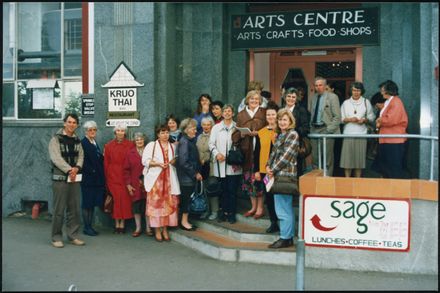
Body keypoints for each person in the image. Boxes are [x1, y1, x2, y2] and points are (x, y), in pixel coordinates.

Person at [48, 113, 85, 248]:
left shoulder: (77, 140)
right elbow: (56, 158)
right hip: (60, 178)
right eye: (69, 122)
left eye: (74, 122)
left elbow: (81, 155)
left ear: (77, 125)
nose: (71, 125)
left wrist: (76, 168)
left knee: (74, 209)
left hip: (74, 178)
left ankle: (73, 235)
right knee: (59, 209)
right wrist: (69, 170)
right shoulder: (55, 139)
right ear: (64, 123)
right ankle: (56, 237)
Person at [266, 109, 299, 249]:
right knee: (283, 208)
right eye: (280, 120)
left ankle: (285, 238)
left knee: (283, 209)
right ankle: (287, 236)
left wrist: (272, 169)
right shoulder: (280, 135)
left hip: (284, 176)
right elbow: (273, 154)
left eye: (285, 119)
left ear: (290, 121)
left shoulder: (293, 134)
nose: (282, 122)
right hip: (276, 175)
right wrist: (267, 166)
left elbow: (286, 156)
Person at [232, 90, 267, 219]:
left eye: (256, 99)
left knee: (260, 181)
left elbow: (270, 129)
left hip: (260, 151)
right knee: (248, 181)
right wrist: (242, 133)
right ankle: (252, 207)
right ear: (247, 100)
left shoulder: (264, 113)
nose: (254, 101)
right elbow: (234, 135)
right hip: (246, 152)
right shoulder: (241, 115)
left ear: (260, 101)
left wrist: (259, 133)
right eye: (251, 99)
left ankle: (260, 208)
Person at [142, 124, 180, 242]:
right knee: (156, 205)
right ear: (158, 134)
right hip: (156, 180)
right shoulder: (151, 145)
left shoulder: (172, 146)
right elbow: (145, 161)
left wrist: (173, 161)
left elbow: (174, 161)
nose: (165, 135)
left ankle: (165, 229)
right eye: (162, 133)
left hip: (169, 179)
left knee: (168, 204)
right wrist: (158, 164)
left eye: (167, 132)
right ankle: (157, 230)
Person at [209, 104, 243, 224]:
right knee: (223, 190)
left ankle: (231, 214)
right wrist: (217, 154)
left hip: (234, 165)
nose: (227, 113)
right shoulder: (216, 128)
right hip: (221, 164)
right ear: (222, 113)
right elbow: (211, 144)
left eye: (229, 111)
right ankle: (223, 213)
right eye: (225, 111)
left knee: (232, 190)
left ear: (233, 113)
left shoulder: (237, 127)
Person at [104, 123, 135, 234]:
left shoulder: (131, 145)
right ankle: (117, 223)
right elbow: (106, 163)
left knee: (125, 200)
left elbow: (132, 161)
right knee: (116, 200)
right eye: (118, 130)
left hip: (125, 175)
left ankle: (123, 223)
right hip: (113, 175)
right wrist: (107, 177)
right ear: (115, 132)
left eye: (122, 131)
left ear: (125, 132)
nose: (120, 133)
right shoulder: (109, 146)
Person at [340, 82, 376, 178]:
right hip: (348, 134)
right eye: (354, 90)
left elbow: (372, 117)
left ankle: (357, 181)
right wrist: (350, 119)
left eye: (358, 90)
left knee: (359, 161)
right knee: (347, 160)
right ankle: (347, 180)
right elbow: (341, 118)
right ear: (351, 91)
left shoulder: (366, 102)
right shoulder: (346, 103)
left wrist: (364, 120)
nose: (356, 92)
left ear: (361, 91)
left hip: (361, 134)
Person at [254, 101, 280, 233]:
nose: (270, 117)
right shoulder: (261, 132)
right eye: (268, 114)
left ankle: (282, 222)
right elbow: (257, 152)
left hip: (279, 171)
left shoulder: (281, 131)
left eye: (273, 114)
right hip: (265, 171)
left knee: (279, 198)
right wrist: (257, 170)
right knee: (269, 198)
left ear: (277, 115)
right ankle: (273, 223)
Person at [376, 80, 408, 179]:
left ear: (388, 90)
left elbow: (391, 119)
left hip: (393, 140)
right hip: (388, 139)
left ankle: (396, 191)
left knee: (393, 168)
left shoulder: (396, 102)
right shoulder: (390, 102)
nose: (381, 92)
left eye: (382, 90)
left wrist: (380, 120)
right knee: (387, 167)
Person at [310, 76, 341, 176]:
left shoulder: (333, 97)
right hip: (315, 129)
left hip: (326, 129)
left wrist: (328, 130)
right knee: (315, 158)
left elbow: (337, 117)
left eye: (320, 85)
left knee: (327, 158)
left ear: (325, 86)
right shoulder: (313, 97)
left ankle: (327, 182)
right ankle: (316, 181)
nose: (318, 87)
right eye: (316, 85)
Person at [123, 132, 152, 237]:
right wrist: (128, 184)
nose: (139, 141)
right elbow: (126, 170)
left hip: (148, 183)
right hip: (135, 184)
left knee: (147, 206)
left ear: (144, 140)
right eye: (137, 140)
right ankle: (138, 227)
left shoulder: (149, 152)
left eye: (141, 139)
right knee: (136, 206)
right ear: (134, 142)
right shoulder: (130, 153)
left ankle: (149, 227)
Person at [176, 118, 203, 230]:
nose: (195, 131)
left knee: (186, 199)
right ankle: (184, 222)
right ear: (186, 130)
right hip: (186, 177)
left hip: (187, 177)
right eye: (193, 128)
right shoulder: (185, 142)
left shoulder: (187, 141)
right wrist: (195, 173)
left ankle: (185, 221)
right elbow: (183, 162)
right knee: (186, 200)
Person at [80, 120, 105, 237]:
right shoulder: (83, 143)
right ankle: (86, 227)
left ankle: (90, 226)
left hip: (96, 179)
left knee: (92, 203)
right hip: (88, 178)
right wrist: (92, 170)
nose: (92, 132)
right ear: (86, 131)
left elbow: (97, 157)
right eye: (90, 130)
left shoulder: (94, 142)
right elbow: (82, 161)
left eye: (94, 129)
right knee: (87, 204)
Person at [284, 87, 310, 176]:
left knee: (297, 169)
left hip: (295, 144)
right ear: (285, 97)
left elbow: (305, 128)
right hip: (282, 143)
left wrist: (293, 132)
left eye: (293, 97)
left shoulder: (301, 110)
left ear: (296, 99)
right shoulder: (281, 109)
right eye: (289, 96)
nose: (291, 99)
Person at [196, 116, 218, 219]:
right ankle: (206, 210)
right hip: (201, 167)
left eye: (208, 124)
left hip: (211, 166)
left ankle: (215, 211)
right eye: (204, 125)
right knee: (203, 190)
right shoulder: (199, 137)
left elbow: (215, 150)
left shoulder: (215, 136)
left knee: (212, 189)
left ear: (212, 125)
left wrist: (206, 158)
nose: (206, 127)